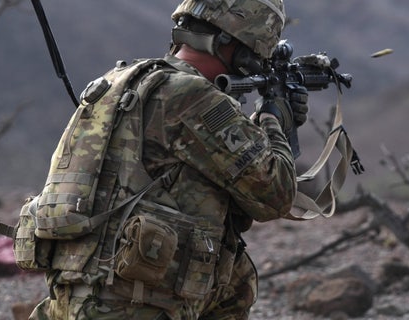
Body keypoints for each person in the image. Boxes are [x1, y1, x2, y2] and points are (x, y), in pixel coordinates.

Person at [29, 0, 309, 319]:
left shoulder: (118, 81)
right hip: (131, 306)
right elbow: (275, 195)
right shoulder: (193, 97)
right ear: (244, 48)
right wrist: (274, 119)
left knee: (235, 277)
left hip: (76, 297)